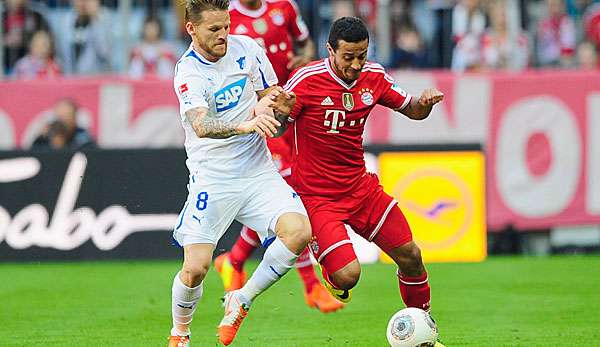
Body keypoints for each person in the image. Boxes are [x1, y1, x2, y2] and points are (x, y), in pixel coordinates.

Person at [282, 16, 445, 345]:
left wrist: (424, 104)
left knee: (411, 256)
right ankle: (327, 264)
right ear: (330, 51)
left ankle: (424, 330)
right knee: (348, 276)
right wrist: (278, 111)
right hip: (317, 197)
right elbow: (277, 127)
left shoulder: (374, 76)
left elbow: (411, 109)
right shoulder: (306, 80)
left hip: (360, 189)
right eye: (348, 57)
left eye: (362, 55)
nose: (356, 64)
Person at [169, 1, 311, 346]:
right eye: (213, 30)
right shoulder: (188, 72)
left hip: (257, 170)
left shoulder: (248, 48)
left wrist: (277, 102)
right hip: (213, 178)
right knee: (196, 269)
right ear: (192, 29)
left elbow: (269, 96)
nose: (223, 36)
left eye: (226, 27)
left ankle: (241, 299)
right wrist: (248, 123)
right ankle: (180, 333)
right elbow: (201, 125)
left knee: (299, 232)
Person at [212, 0, 343, 314]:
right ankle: (311, 286)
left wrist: (306, 57)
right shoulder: (226, 16)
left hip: (293, 110)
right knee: (288, 198)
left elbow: (304, 42)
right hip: (260, 117)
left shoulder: (284, 6)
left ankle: (233, 260)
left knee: (280, 201)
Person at [31, 98, 95, 150]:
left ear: (74, 118)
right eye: (60, 117)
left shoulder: (83, 137)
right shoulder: (44, 138)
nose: (63, 123)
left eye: (67, 117)